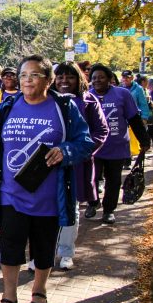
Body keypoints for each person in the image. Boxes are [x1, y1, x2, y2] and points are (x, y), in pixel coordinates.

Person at [0, 54, 94, 303]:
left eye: (34, 74)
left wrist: (65, 151)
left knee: (43, 248)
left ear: (48, 80)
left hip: (49, 195)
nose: (27, 80)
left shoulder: (65, 107)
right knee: (10, 246)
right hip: (12, 194)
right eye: (23, 75)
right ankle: (9, 295)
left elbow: (85, 142)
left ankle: (39, 288)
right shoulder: (7, 107)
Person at [50, 61, 109, 270]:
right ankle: (43, 253)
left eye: (70, 77)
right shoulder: (46, 99)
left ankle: (66, 252)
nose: (64, 81)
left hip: (75, 164)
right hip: (48, 165)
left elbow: (101, 132)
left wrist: (77, 152)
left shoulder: (88, 101)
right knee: (46, 210)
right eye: (60, 77)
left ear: (78, 79)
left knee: (71, 207)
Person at [85, 64, 150, 224]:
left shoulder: (122, 94)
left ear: (110, 79)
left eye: (101, 77)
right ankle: (92, 203)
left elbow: (134, 119)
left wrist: (144, 140)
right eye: (94, 78)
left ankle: (109, 210)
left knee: (113, 180)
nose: (97, 80)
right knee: (90, 178)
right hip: (94, 148)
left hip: (117, 147)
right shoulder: (86, 96)